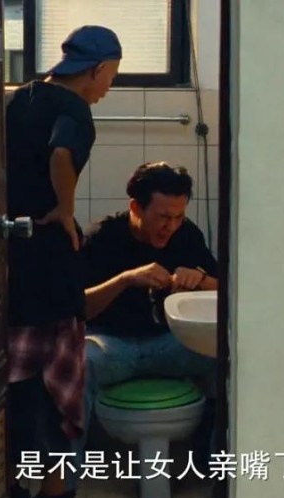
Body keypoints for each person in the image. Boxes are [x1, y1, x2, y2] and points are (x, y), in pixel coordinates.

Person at [4, 25, 121, 498]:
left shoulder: (20, 96)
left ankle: (11, 494)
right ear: (97, 68)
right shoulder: (74, 108)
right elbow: (60, 154)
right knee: (57, 385)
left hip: (8, 257)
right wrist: (66, 210)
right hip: (51, 265)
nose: (108, 87)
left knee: (16, 386)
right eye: (111, 76)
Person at [77, 161, 218, 478]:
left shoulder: (187, 235)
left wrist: (200, 278)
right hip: (112, 346)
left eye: (178, 217)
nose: (171, 226)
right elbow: (78, 308)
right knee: (76, 367)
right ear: (136, 208)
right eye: (163, 217)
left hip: (169, 346)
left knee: (225, 356)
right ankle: (67, 481)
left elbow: (227, 292)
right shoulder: (101, 237)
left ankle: (214, 467)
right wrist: (124, 280)